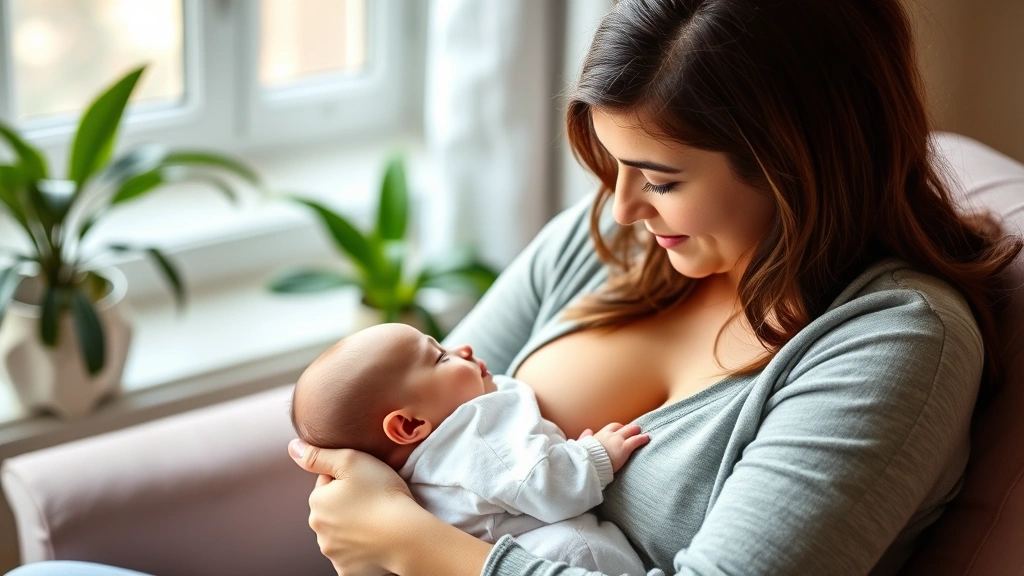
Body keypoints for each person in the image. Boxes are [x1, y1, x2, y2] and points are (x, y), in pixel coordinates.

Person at [10, 0, 1022, 575]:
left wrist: (425, 548)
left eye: (661, 178)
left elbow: (394, 516)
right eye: (612, 165)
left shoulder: (893, 343)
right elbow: (392, 432)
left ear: (799, 160)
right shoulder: (611, 244)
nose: (621, 208)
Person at [290, 322, 653, 575]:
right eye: (441, 357)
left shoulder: (422, 468)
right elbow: (545, 485)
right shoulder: (473, 435)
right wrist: (594, 454)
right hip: (568, 558)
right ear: (411, 425)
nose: (462, 347)